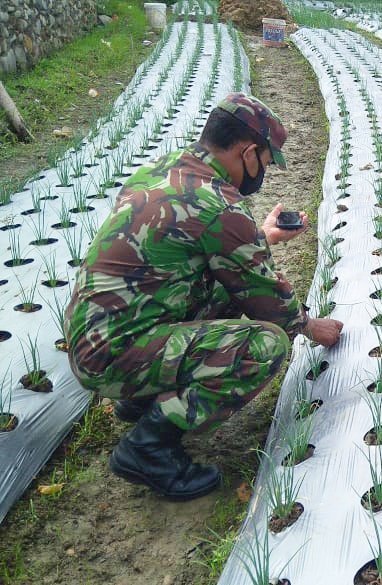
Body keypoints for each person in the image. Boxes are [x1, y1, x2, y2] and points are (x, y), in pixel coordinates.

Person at [64, 93, 344, 500]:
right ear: (248, 152)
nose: (262, 174)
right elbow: (267, 300)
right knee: (266, 345)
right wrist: (310, 326)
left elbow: (193, 258)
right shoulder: (220, 204)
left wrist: (262, 237)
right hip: (111, 354)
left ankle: (141, 398)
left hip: (94, 333)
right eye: (264, 163)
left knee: (227, 289)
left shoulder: (163, 169)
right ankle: (148, 448)